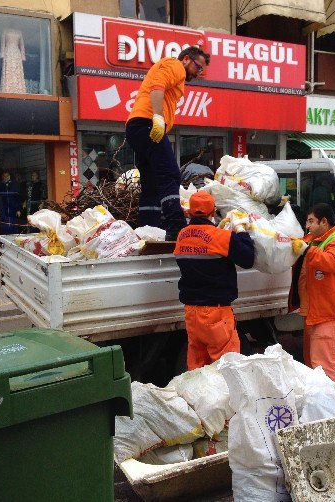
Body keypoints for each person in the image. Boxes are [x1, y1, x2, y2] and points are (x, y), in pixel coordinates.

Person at [126, 46, 210, 241]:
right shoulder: (176, 66)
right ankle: (176, 227)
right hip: (147, 124)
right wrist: (157, 118)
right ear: (187, 59)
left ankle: (149, 227)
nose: (198, 74)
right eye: (198, 68)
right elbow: (157, 87)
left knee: (151, 181)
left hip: (137, 127)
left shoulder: (174, 69)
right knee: (170, 174)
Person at [174, 191, 255, 370]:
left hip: (192, 314)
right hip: (216, 314)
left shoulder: (182, 236)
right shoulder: (221, 237)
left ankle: (196, 397)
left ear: (189, 212)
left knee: (197, 369)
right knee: (225, 369)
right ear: (213, 212)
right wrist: (240, 229)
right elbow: (248, 259)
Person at [288, 203, 335, 385]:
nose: (307, 225)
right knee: (313, 369)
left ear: (324, 222)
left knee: (325, 368)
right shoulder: (315, 239)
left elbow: (331, 263)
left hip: (327, 314)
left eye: (311, 221)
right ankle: (321, 406)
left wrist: (306, 250)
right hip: (314, 314)